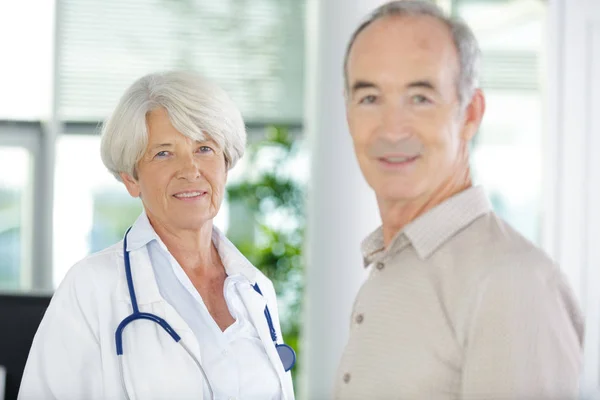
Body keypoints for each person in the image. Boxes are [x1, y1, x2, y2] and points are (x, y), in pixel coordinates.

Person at [335, 1, 584, 399]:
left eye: (420, 98)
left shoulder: (511, 282)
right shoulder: (391, 266)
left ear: (470, 113)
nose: (392, 129)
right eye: (370, 98)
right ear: (349, 115)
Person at [18, 71, 295, 400]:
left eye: (204, 148)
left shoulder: (255, 289)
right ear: (131, 179)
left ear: (226, 163)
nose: (190, 170)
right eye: (164, 153)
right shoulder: (91, 286)